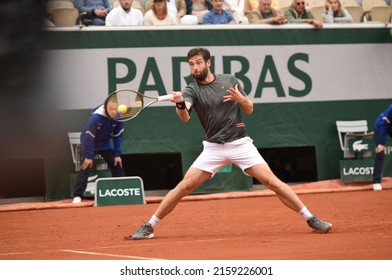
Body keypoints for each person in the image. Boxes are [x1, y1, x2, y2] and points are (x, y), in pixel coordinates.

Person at [129, 47, 333, 239]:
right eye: (191, 64)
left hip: (240, 144)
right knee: (183, 187)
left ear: (208, 62)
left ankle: (311, 218)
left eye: (198, 62)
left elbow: (249, 109)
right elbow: (184, 117)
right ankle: (149, 226)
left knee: (272, 182)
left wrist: (241, 99)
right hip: (213, 148)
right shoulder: (192, 89)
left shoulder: (229, 80)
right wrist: (181, 103)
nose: (195, 67)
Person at [72, 100, 125, 204]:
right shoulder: (95, 118)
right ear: (105, 108)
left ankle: (123, 191)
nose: (114, 112)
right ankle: (77, 195)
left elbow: (118, 137)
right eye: (111, 109)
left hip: (105, 143)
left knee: (117, 164)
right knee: (85, 166)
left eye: (115, 109)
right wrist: (88, 156)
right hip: (90, 142)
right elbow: (88, 137)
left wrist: (117, 154)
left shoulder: (119, 118)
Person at [372, 104, 392, 191]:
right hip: (381, 125)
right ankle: (376, 182)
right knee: (380, 151)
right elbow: (384, 124)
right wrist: (381, 143)